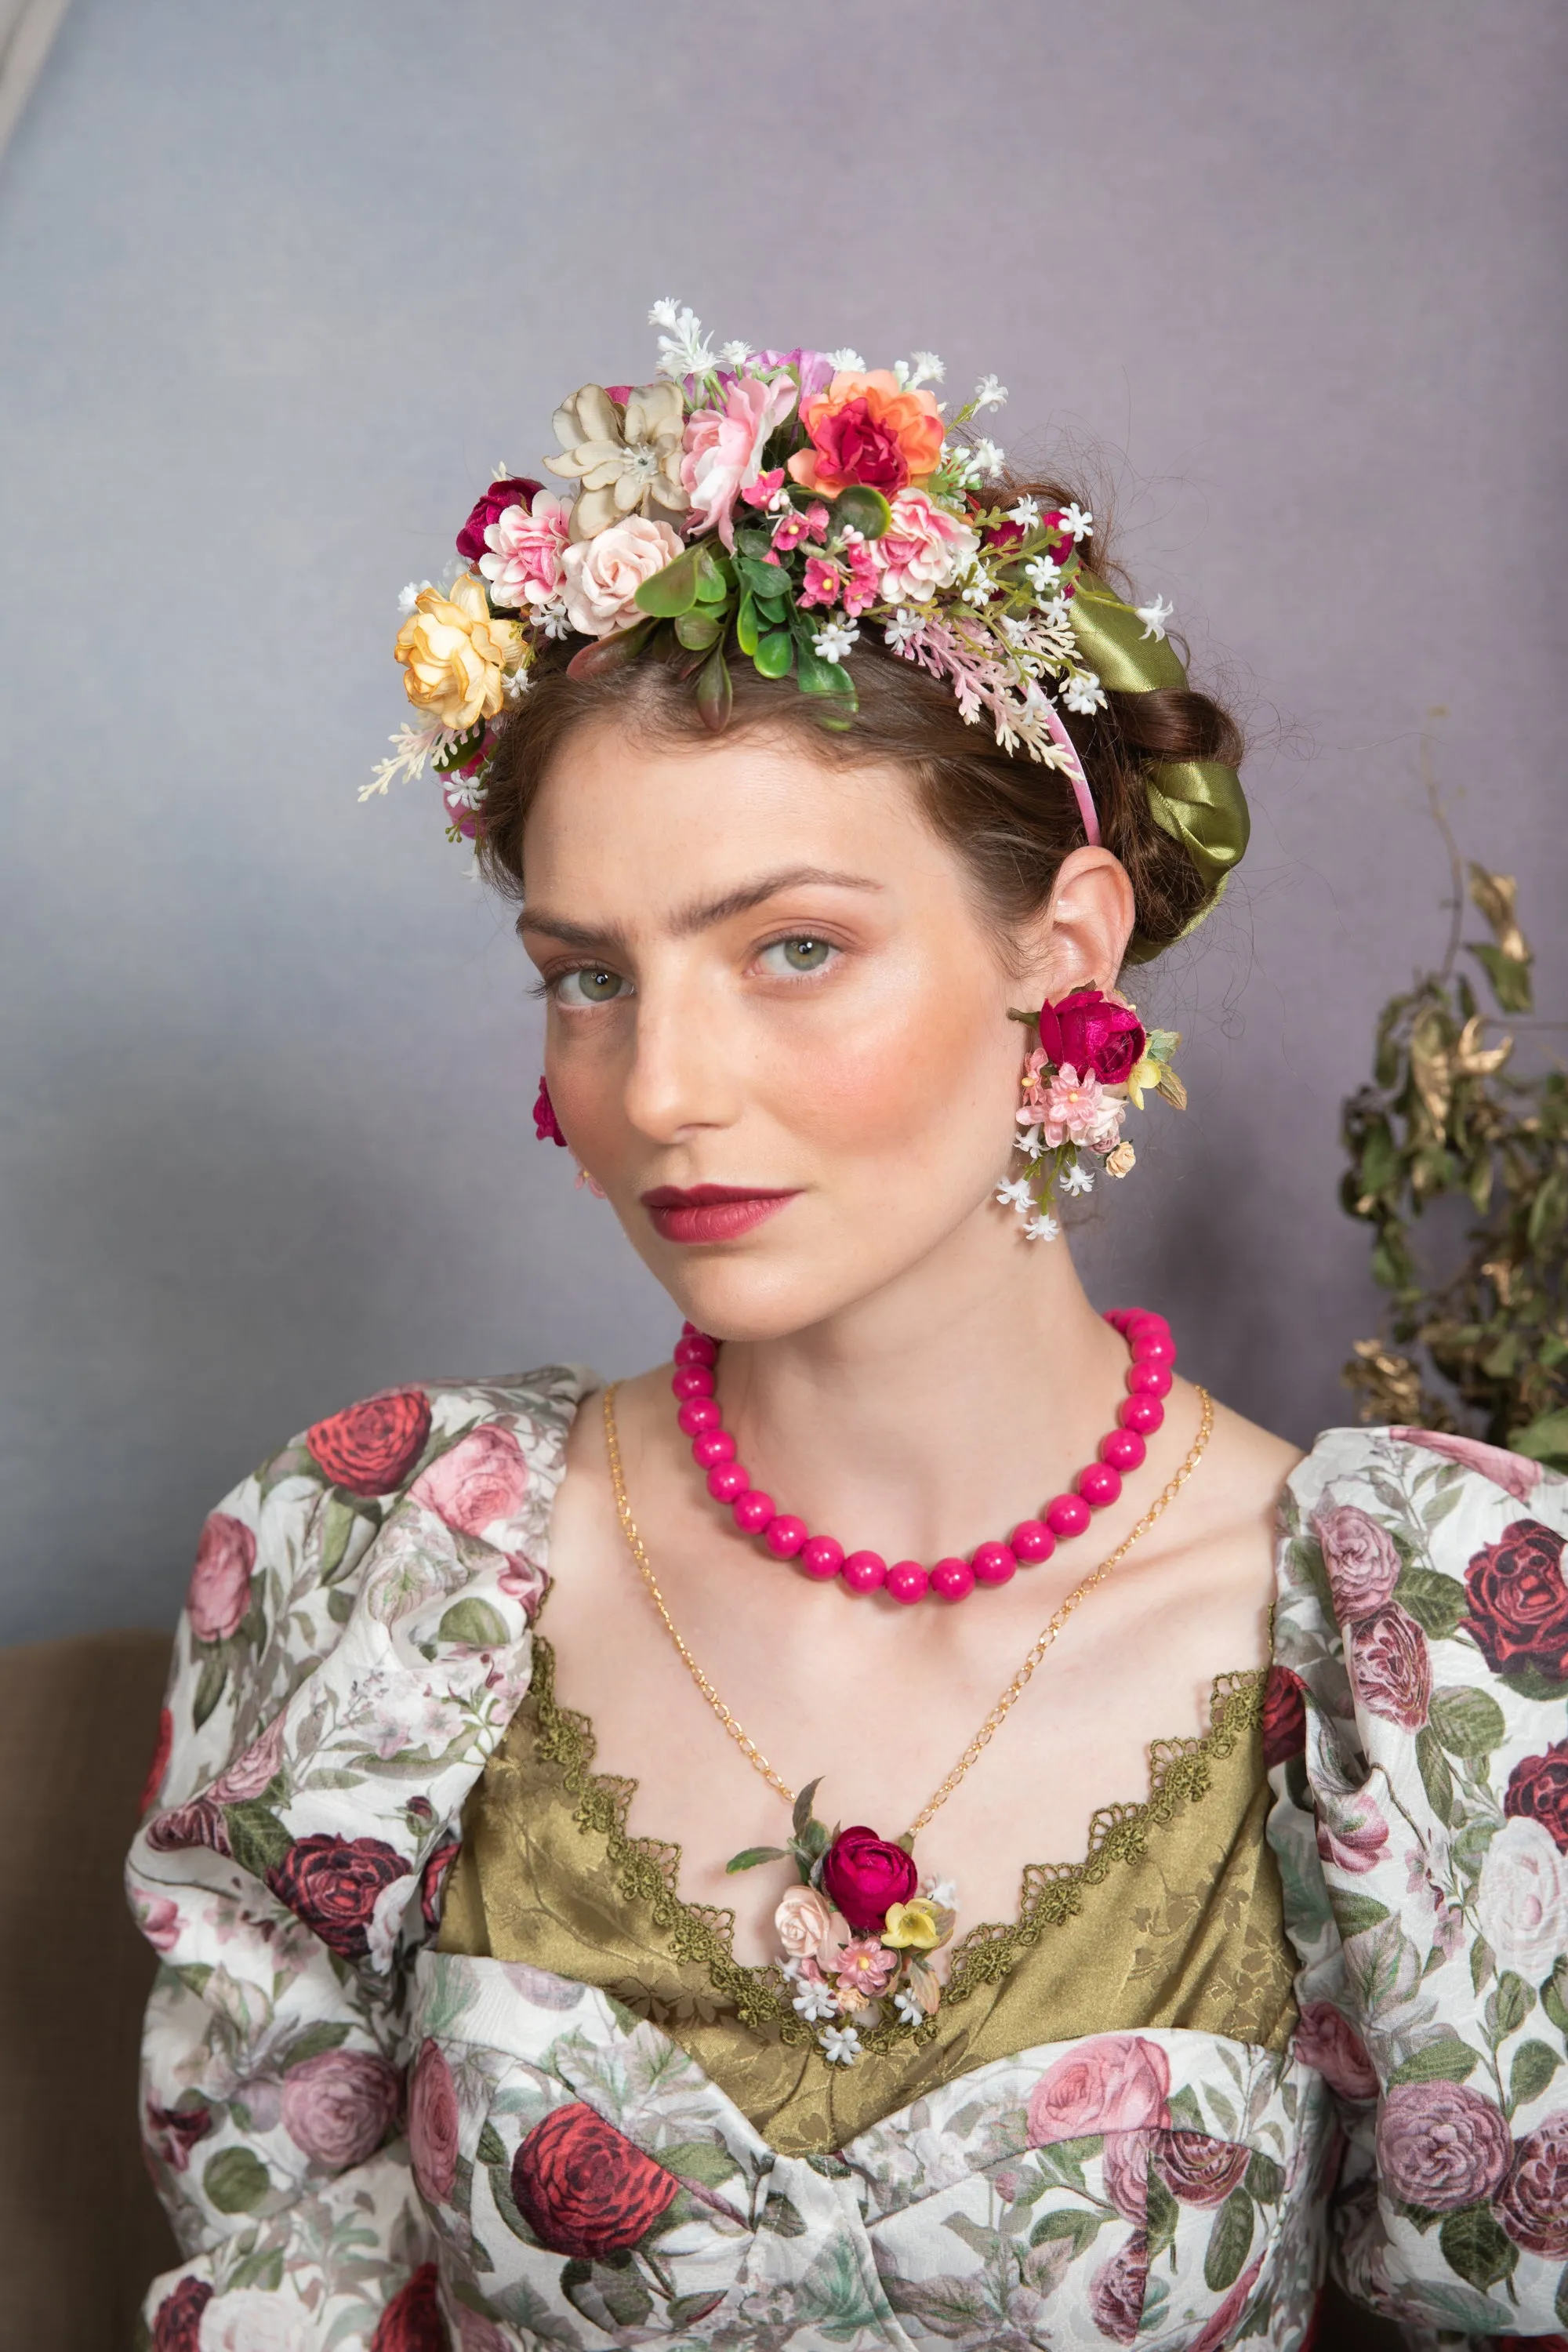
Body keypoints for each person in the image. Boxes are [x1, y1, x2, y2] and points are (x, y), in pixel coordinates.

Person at [129, 310, 1568, 2351]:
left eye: (793, 948)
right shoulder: (379, 1566)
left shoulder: (1429, 1643)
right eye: (590, 976)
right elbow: (277, 2282)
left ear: (1059, 948)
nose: (667, 1090)